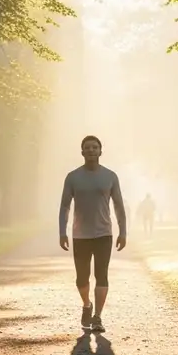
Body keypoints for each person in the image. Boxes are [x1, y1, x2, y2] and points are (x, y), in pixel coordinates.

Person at [59, 135, 126, 333]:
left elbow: (119, 206)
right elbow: (64, 206)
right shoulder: (72, 177)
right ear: (82, 152)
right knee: (82, 278)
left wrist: (123, 231)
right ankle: (86, 305)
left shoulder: (110, 176)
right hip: (80, 235)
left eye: (94, 147)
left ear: (100, 151)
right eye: (87, 147)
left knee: (101, 275)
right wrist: (62, 231)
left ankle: (97, 317)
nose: (91, 150)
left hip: (104, 233)